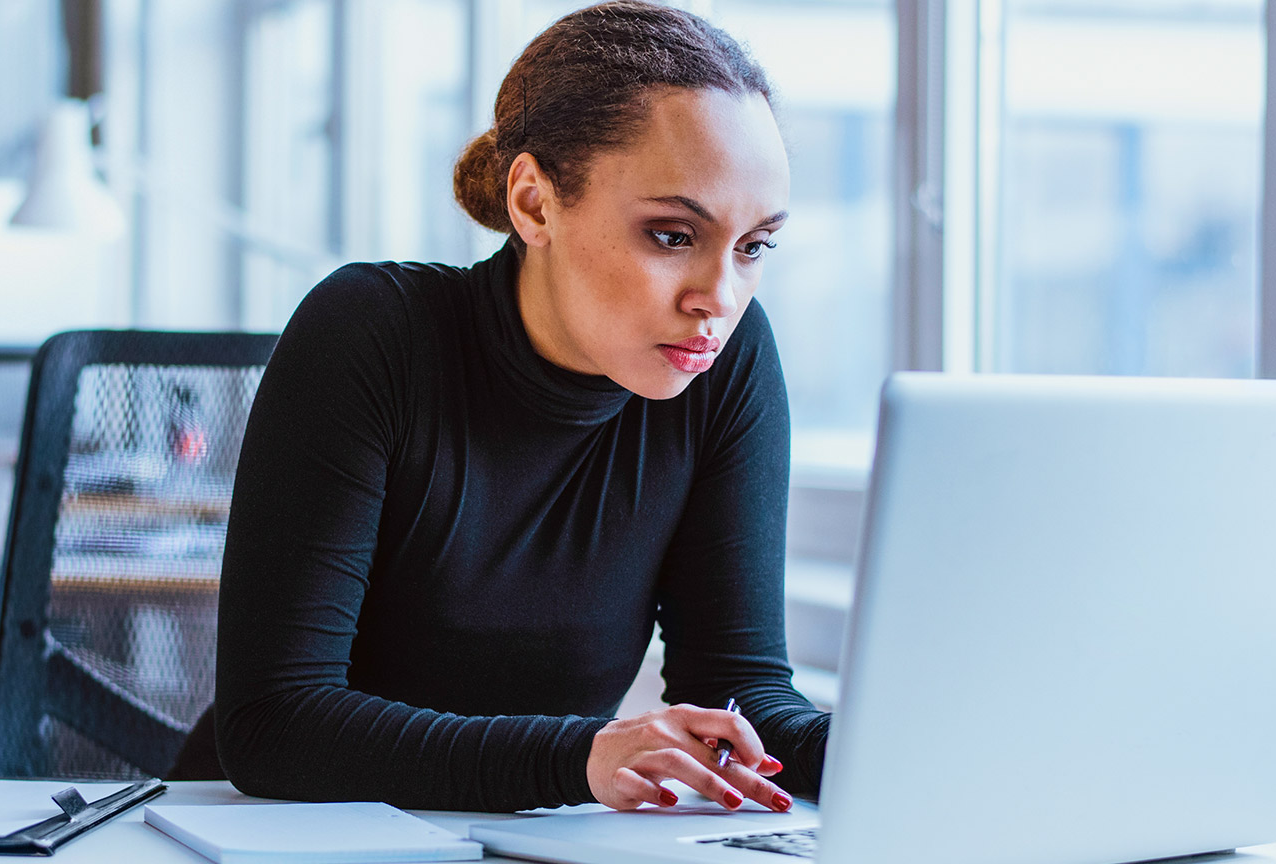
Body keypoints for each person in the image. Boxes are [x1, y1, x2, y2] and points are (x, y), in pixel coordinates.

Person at [178, 0, 831, 814]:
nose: (718, 298)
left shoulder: (726, 364)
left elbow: (736, 687)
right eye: (672, 235)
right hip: (282, 833)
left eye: (755, 246)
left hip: (522, 835)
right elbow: (275, 723)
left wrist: (877, 749)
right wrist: (579, 758)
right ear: (534, 204)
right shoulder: (373, 334)